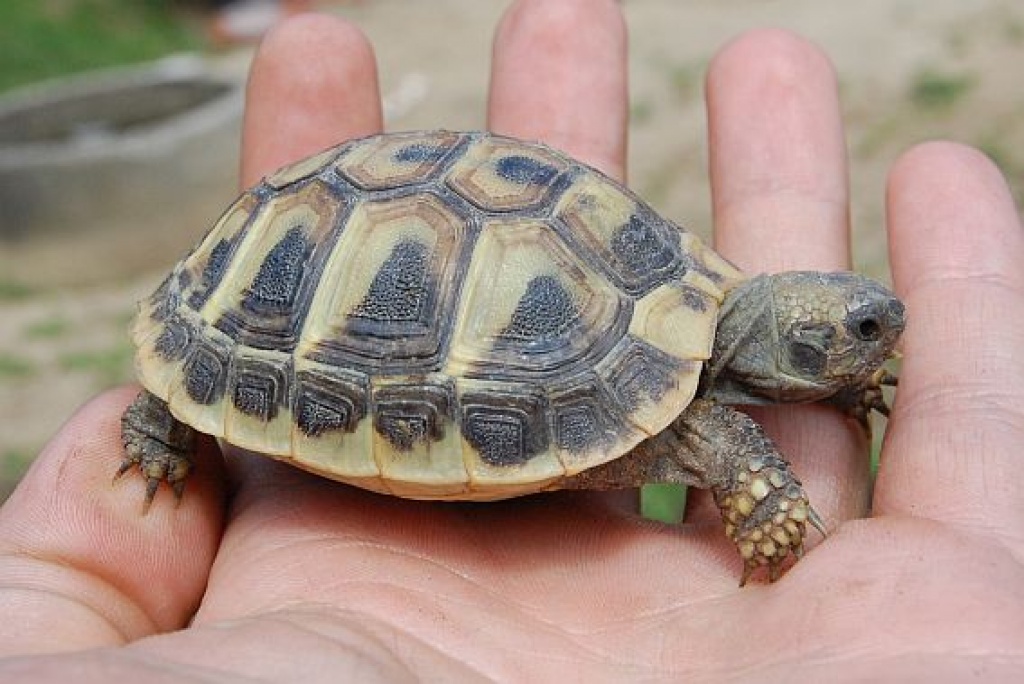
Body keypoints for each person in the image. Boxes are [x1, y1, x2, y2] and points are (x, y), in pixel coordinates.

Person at [1, 0, 1021, 679]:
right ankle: (178, 404)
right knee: (167, 415)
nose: (872, 338)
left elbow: (718, 383)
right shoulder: (702, 408)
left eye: (859, 332)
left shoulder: (689, 301)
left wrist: (836, 382)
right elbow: (725, 436)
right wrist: (778, 527)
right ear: (784, 340)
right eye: (848, 336)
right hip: (298, 297)